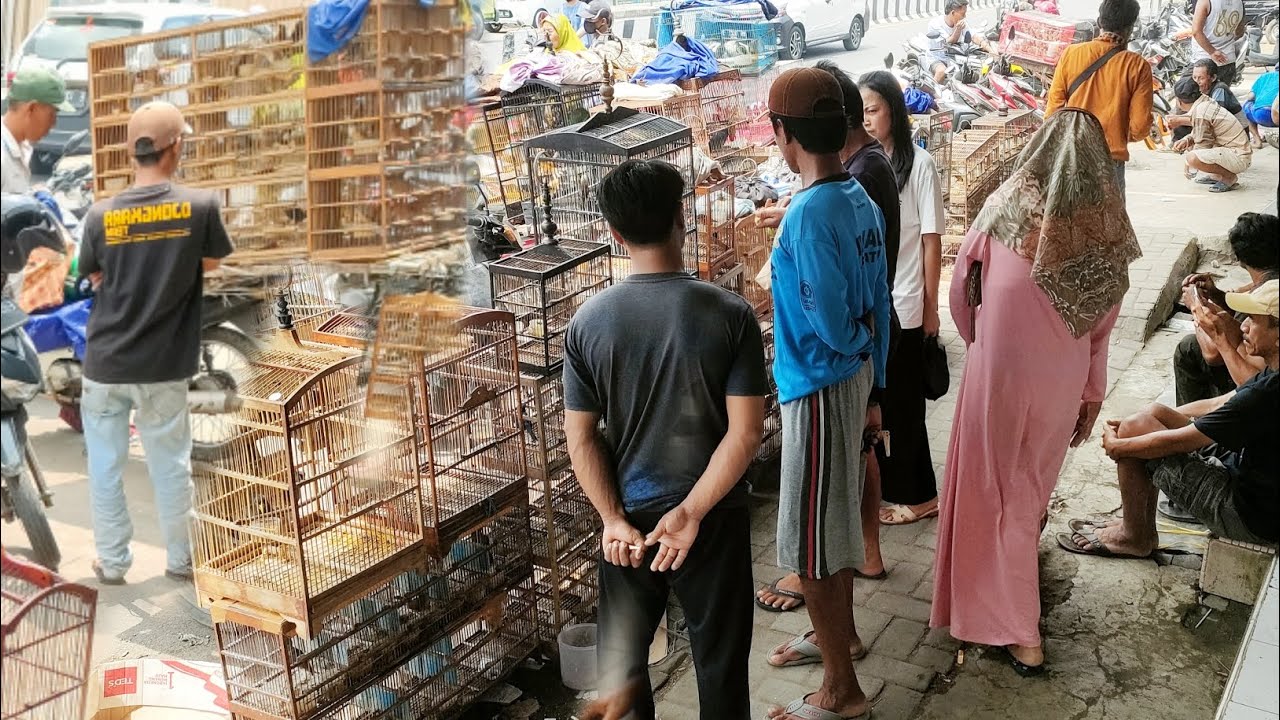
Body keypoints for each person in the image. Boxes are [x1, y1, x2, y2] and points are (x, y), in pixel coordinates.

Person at [932, 109, 1142, 676]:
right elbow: (1103, 325)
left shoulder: (1000, 212)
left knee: (993, 492)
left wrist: (982, 341)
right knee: (1025, 495)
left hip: (996, 376)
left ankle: (1018, 628)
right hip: (1060, 385)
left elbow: (959, 295)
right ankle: (1001, 606)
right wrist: (1091, 391)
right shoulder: (1105, 233)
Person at [564, 159, 768, 720]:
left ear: (615, 234)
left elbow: (581, 439)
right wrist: (692, 510)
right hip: (712, 521)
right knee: (721, 674)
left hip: (627, 527)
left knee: (624, 676)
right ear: (683, 218)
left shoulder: (589, 323)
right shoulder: (730, 315)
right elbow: (746, 433)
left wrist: (611, 518)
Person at [761, 67, 890, 720]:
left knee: (812, 548)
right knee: (832, 528)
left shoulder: (810, 214)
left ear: (782, 133)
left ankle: (841, 693)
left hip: (817, 389)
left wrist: (855, 341)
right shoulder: (857, 197)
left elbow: (840, 323)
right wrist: (874, 375)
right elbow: (878, 308)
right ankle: (843, 639)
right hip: (850, 384)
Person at [78, 101, 234, 585]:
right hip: (165, 365)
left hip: (106, 364)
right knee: (170, 464)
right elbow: (211, 266)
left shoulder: (100, 215)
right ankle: (181, 560)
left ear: (132, 152)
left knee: (105, 467)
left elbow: (95, 276)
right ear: (177, 147)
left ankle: (114, 562)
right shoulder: (200, 207)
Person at [1060, 279, 1279, 559]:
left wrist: (1118, 446)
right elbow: (1221, 402)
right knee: (1152, 415)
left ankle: (1134, 536)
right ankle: (1136, 525)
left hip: (1252, 519)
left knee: (1134, 433)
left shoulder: (1268, 393)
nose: (1244, 326)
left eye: (1255, 321)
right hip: (1257, 488)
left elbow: (1184, 441)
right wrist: (1155, 414)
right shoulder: (1272, 372)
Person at [859, 70, 944, 527]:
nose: (867, 119)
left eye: (873, 109)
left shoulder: (920, 166)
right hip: (882, 305)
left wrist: (932, 308)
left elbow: (932, 242)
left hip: (909, 304)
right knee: (888, 405)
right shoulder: (871, 164)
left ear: (894, 109)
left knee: (906, 407)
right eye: (862, 111)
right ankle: (896, 486)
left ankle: (922, 495)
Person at [1044, 0, 1152, 194]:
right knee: (1109, 222)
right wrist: (1117, 133)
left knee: (1070, 220)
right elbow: (1140, 127)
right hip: (1110, 160)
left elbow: (1053, 111)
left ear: (1100, 21)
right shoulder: (1137, 65)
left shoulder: (1071, 54)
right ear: (1131, 27)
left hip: (1073, 154)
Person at [1174, 213, 1278, 406]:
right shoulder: (1264, 285)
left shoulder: (1268, 295)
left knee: (1189, 347)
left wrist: (1197, 307)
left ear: (1239, 258)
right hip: (1256, 379)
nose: (1244, 325)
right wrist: (1214, 296)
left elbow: (1212, 354)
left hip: (1256, 388)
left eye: (1252, 319)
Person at [1170, 78, 1252, 193]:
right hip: (1236, 152)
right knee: (1194, 153)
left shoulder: (1200, 111)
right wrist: (1187, 139)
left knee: (1192, 157)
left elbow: (1203, 145)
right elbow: (1204, 131)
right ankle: (1217, 175)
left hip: (1238, 157)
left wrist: (1187, 164)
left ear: (1179, 102)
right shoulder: (1205, 101)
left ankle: (1229, 177)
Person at [2, 68, 75, 194]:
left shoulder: (21, 146)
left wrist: (30, 194)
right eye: (51, 114)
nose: (53, 124)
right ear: (32, 108)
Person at [1171, 59, 1243, 143]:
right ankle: (1177, 145)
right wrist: (1176, 118)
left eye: (1201, 78)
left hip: (1233, 134)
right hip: (1217, 127)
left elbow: (1212, 119)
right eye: (1194, 77)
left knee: (1182, 122)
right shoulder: (1200, 90)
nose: (1197, 82)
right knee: (1180, 115)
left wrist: (1179, 120)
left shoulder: (1220, 89)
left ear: (1213, 78)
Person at [926, 0, 992, 84]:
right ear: (953, 13)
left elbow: (973, 36)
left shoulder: (961, 23)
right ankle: (931, 93)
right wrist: (958, 29)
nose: (964, 16)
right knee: (941, 71)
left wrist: (990, 50)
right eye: (962, 14)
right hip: (937, 58)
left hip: (954, 56)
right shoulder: (935, 24)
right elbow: (949, 42)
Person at [1185, 0, 1244, 85]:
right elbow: (1239, 32)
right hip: (1228, 61)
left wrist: (1212, 51)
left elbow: (1196, 32)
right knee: (1220, 95)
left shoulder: (1205, 2)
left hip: (1203, 61)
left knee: (1183, 91)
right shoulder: (1239, 2)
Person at [1239, 64, 1279, 148]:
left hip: (1261, 113)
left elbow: (1251, 97)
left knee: (1246, 105)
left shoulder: (1264, 76)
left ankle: (1257, 140)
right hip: (1275, 114)